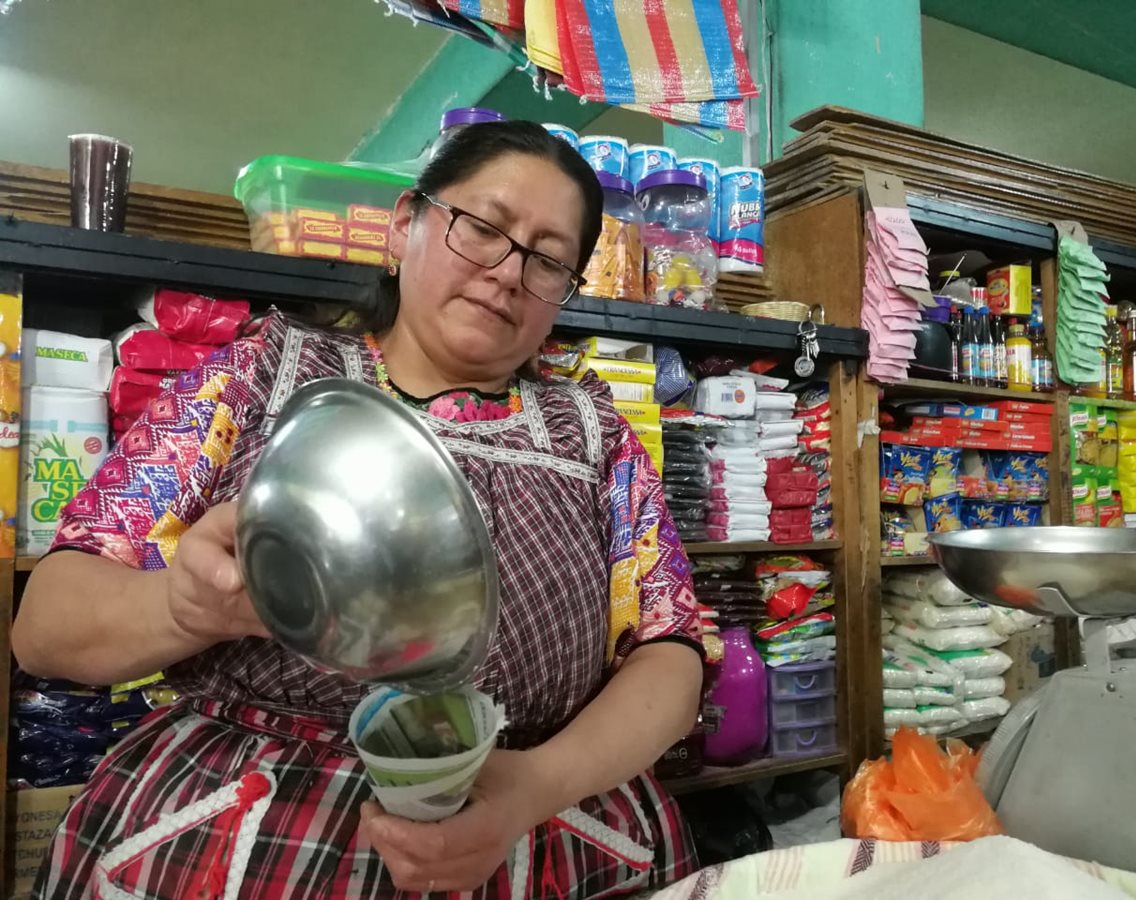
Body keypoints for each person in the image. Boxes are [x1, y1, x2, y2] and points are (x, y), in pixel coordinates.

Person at [13, 121, 705, 899]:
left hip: (539, 831)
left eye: (548, 260)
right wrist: (184, 606)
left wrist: (533, 787)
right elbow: (45, 629)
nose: (509, 273)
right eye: (483, 228)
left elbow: (670, 660)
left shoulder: (593, 432)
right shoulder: (265, 375)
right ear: (406, 225)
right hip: (239, 836)